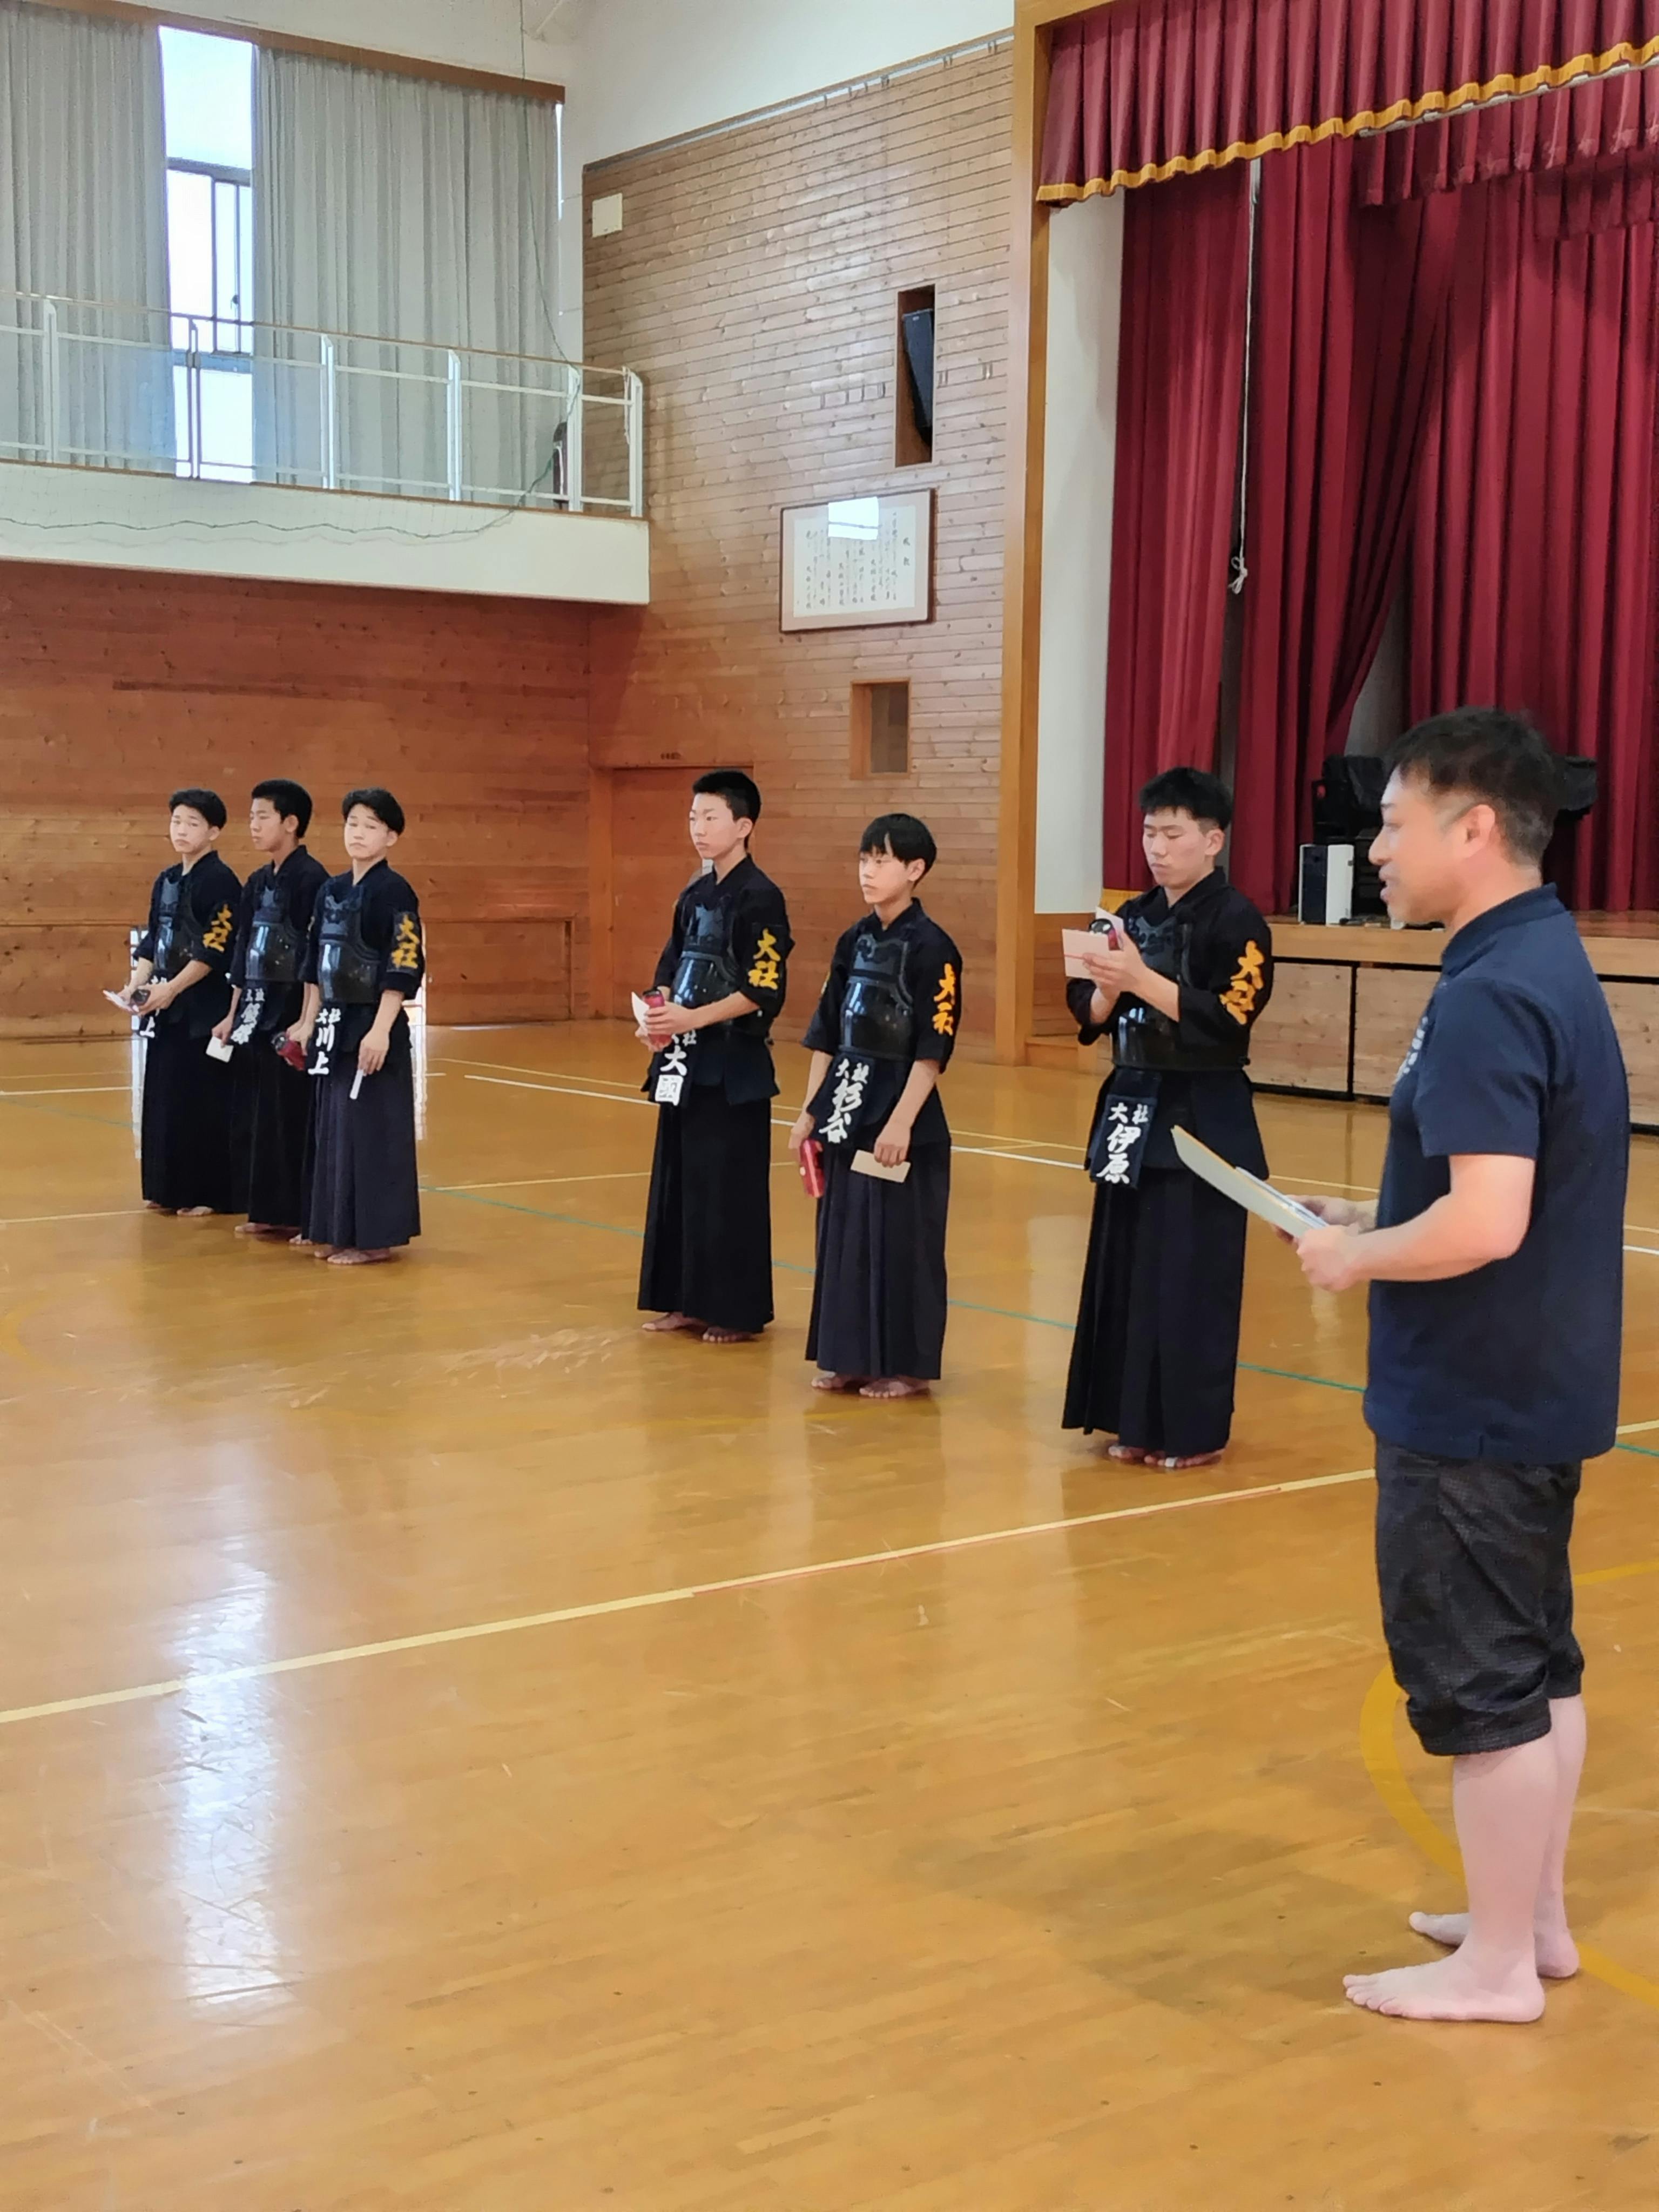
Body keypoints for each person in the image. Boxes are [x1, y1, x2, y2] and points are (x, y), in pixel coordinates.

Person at [1296, 710, 1628, 2024]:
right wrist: (1374, 1219)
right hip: (1534, 1382)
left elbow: (1486, 1220)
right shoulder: (1541, 954)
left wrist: (1355, 1257)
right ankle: (1526, 1920)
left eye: (1391, 821)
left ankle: (1494, 1969)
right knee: (1539, 1665)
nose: (1372, 846)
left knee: (1483, 1684)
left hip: (1475, 1400)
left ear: (1474, 826)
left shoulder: (1491, 990)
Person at [1062, 767, 1274, 1468]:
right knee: (1126, 1268)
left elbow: (1230, 1018)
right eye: (1150, 832)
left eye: (1173, 834)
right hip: (1132, 1107)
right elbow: (1087, 1010)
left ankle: (1192, 1430)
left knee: (1190, 1276)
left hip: (1202, 1112)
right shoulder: (1128, 915)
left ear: (1213, 840)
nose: (1157, 847)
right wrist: (1104, 989)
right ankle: (1130, 1419)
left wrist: (1140, 979)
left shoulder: (1238, 921)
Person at [789, 813, 960, 1400]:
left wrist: (901, 1123)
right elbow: (826, 1034)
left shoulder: (934, 948)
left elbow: (933, 1049)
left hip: (901, 1117)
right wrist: (809, 1114)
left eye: (882, 860)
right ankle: (851, 1359)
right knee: (846, 1239)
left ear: (915, 870)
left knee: (901, 1242)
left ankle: (908, 1368)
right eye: (864, 859)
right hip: (846, 1108)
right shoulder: (853, 939)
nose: (868, 871)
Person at [638, 770, 793, 1344]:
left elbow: (762, 988)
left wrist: (693, 1019)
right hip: (685, 1064)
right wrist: (657, 1016)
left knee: (729, 1191)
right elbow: (671, 967)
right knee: (681, 1184)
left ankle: (735, 1311)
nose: (699, 829)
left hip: (734, 1068)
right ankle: (684, 1300)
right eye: (693, 818)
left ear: (744, 826)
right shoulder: (694, 895)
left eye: (711, 818)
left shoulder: (762, 898)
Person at [287, 788, 425, 1266]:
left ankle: (374, 1239)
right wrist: (307, 1023)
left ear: (391, 836)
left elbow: (403, 964)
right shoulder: (331, 890)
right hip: (333, 1027)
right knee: (335, 1130)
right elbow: (314, 964)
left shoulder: (396, 891)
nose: (358, 834)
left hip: (371, 1025)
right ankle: (337, 1230)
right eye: (352, 824)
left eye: (370, 826)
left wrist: (381, 1030)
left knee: (371, 1132)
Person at [214, 779, 329, 1241]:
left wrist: (306, 1021)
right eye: (252, 817)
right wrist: (232, 1014)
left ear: (291, 823)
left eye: (263, 817)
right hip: (256, 1012)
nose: (254, 825)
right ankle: (267, 1209)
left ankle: (301, 1213)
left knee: (293, 1115)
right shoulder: (257, 882)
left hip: (292, 1012)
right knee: (258, 1114)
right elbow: (243, 952)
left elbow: (313, 956)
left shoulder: (313, 880)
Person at [119, 788, 242, 1217]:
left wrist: (172, 988)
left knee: (203, 1100)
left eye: (192, 823)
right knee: (165, 1097)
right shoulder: (167, 880)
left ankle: (208, 1193)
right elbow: (153, 940)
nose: (182, 830)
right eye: (176, 821)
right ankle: (167, 1188)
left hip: (204, 1008)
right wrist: (137, 985)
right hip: (166, 1008)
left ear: (213, 831)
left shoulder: (221, 881)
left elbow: (216, 947)